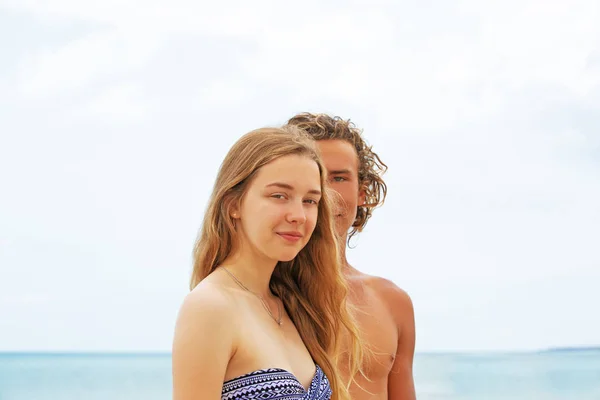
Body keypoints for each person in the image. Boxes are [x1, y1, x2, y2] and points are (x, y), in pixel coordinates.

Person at [171, 126, 364, 400]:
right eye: (279, 196)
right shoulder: (210, 307)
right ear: (233, 205)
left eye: (310, 200)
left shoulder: (295, 306)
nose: (299, 215)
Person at [288, 113, 417, 400]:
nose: (326, 193)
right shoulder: (259, 296)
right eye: (315, 176)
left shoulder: (392, 303)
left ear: (362, 192)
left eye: (339, 178)